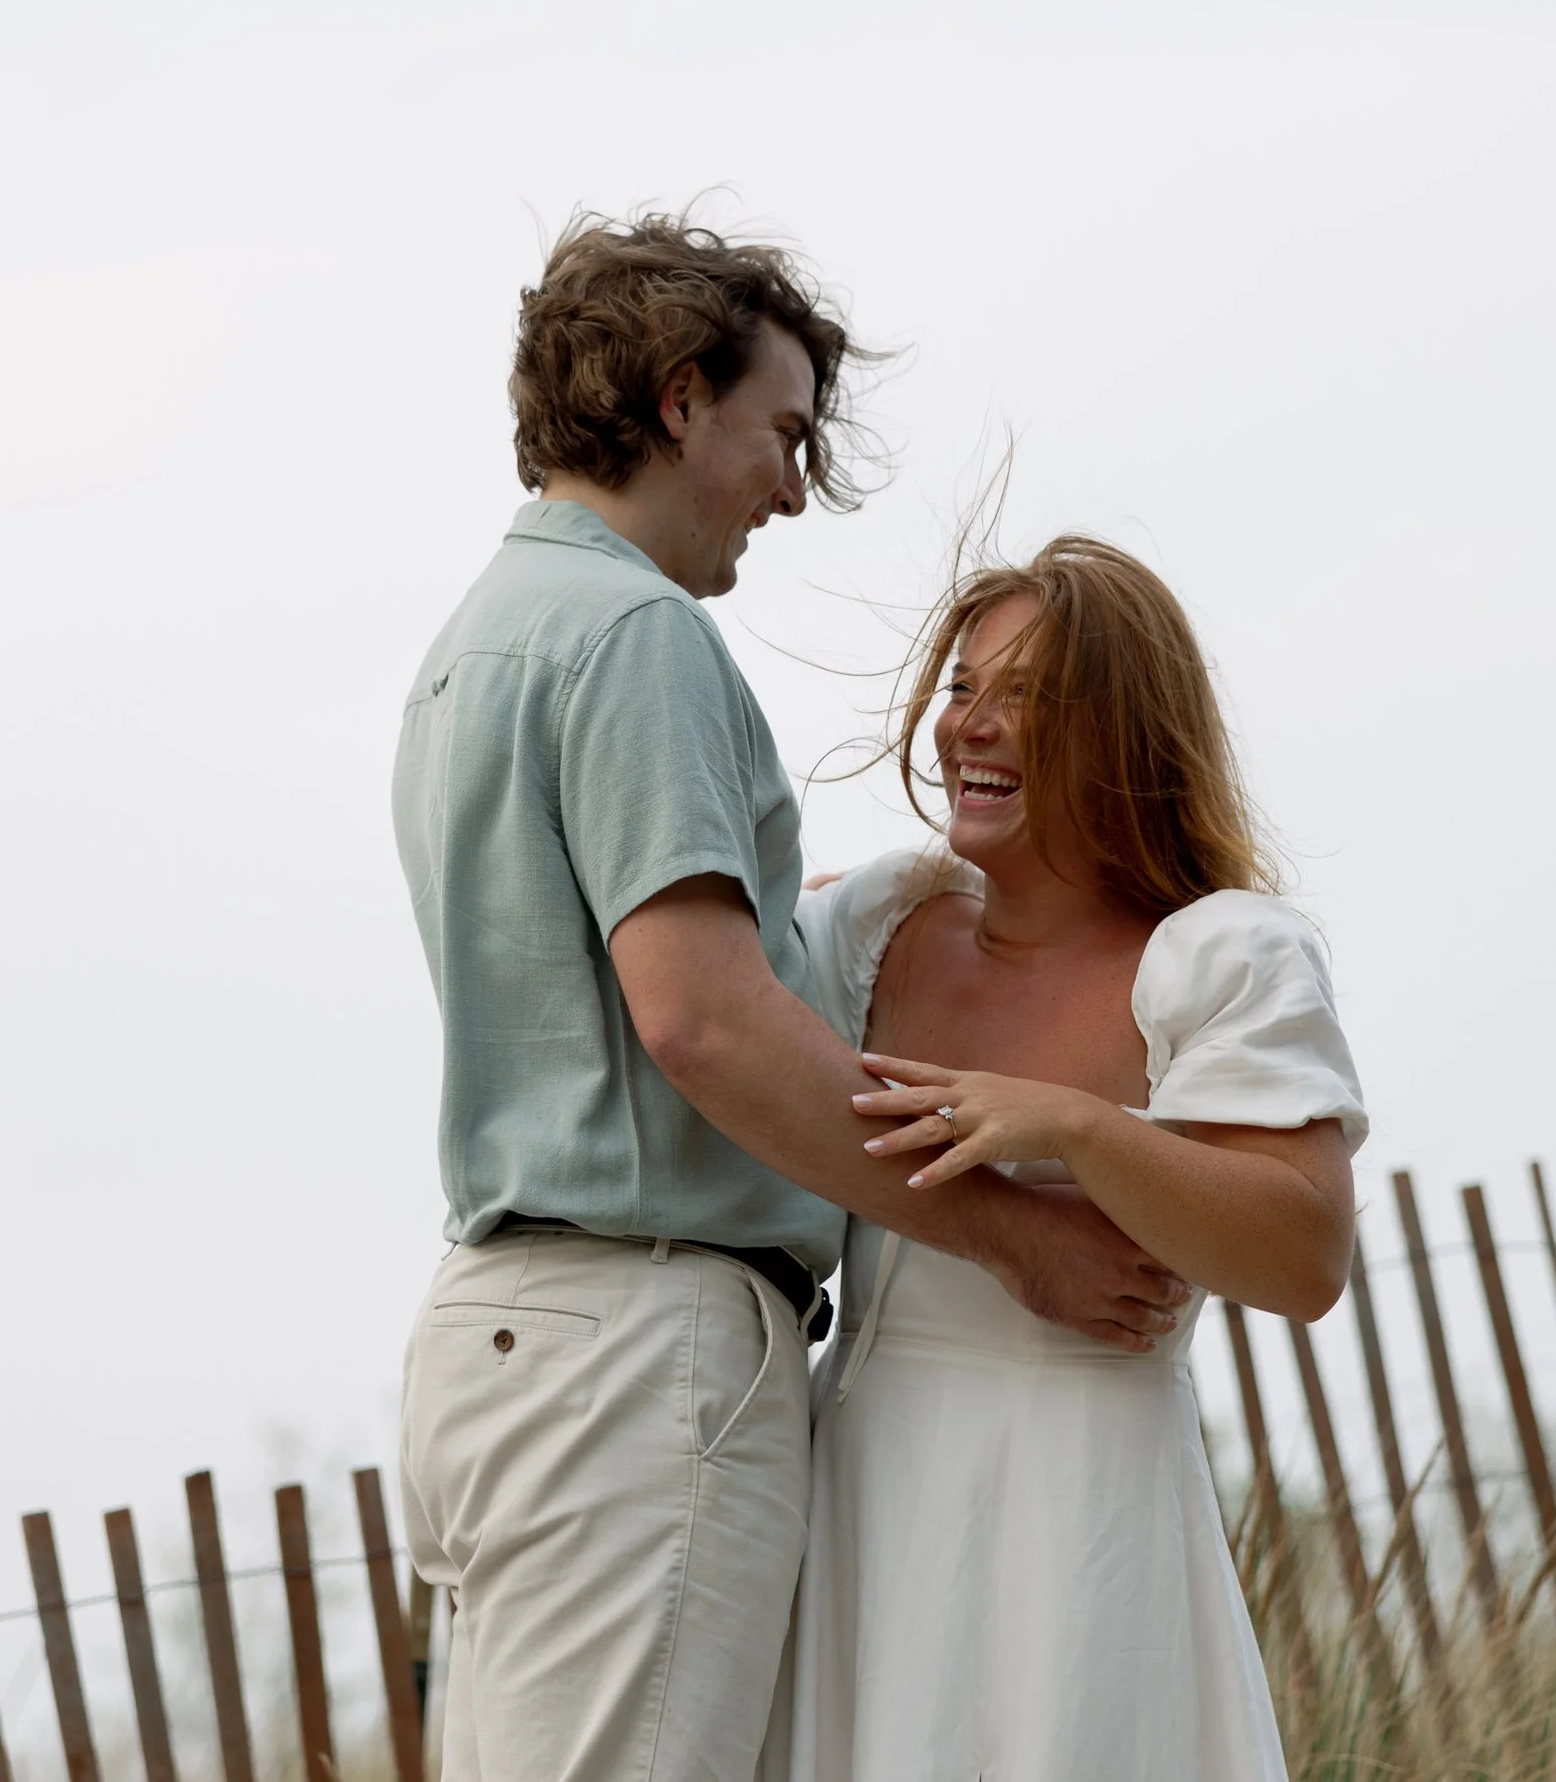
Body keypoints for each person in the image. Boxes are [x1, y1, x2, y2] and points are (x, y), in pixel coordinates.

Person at [390, 216, 1190, 1782]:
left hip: (501, 1337)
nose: (794, 485)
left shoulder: (473, 645)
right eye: (785, 430)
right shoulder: (638, 637)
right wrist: (1010, 1232)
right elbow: (701, 1018)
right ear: (681, 398)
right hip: (638, 1356)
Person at [765, 534, 1368, 1782]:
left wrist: (1076, 1129)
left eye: (1029, 699)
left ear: (1128, 739)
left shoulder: (1221, 958)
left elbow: (1306, 1255)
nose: (970, 727)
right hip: (863, 1490)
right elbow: (715, 1027)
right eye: (962, 688)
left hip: (1083, 1518)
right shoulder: (875, 925)